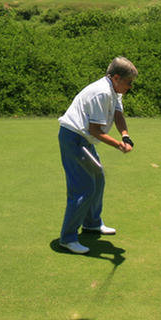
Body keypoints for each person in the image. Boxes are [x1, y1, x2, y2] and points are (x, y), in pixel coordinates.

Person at [57, 56, 137, 254]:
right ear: (116, 77)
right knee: (84, 187)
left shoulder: (114, 90)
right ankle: (67, 238)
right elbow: (95, 130)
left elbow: (118, 114)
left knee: (98, 178)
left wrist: (125, 136)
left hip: (83, 139)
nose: (130, 87)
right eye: (129, 83)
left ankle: (92, 223)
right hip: (74, 138)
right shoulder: (101, 92)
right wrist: (119, 145)